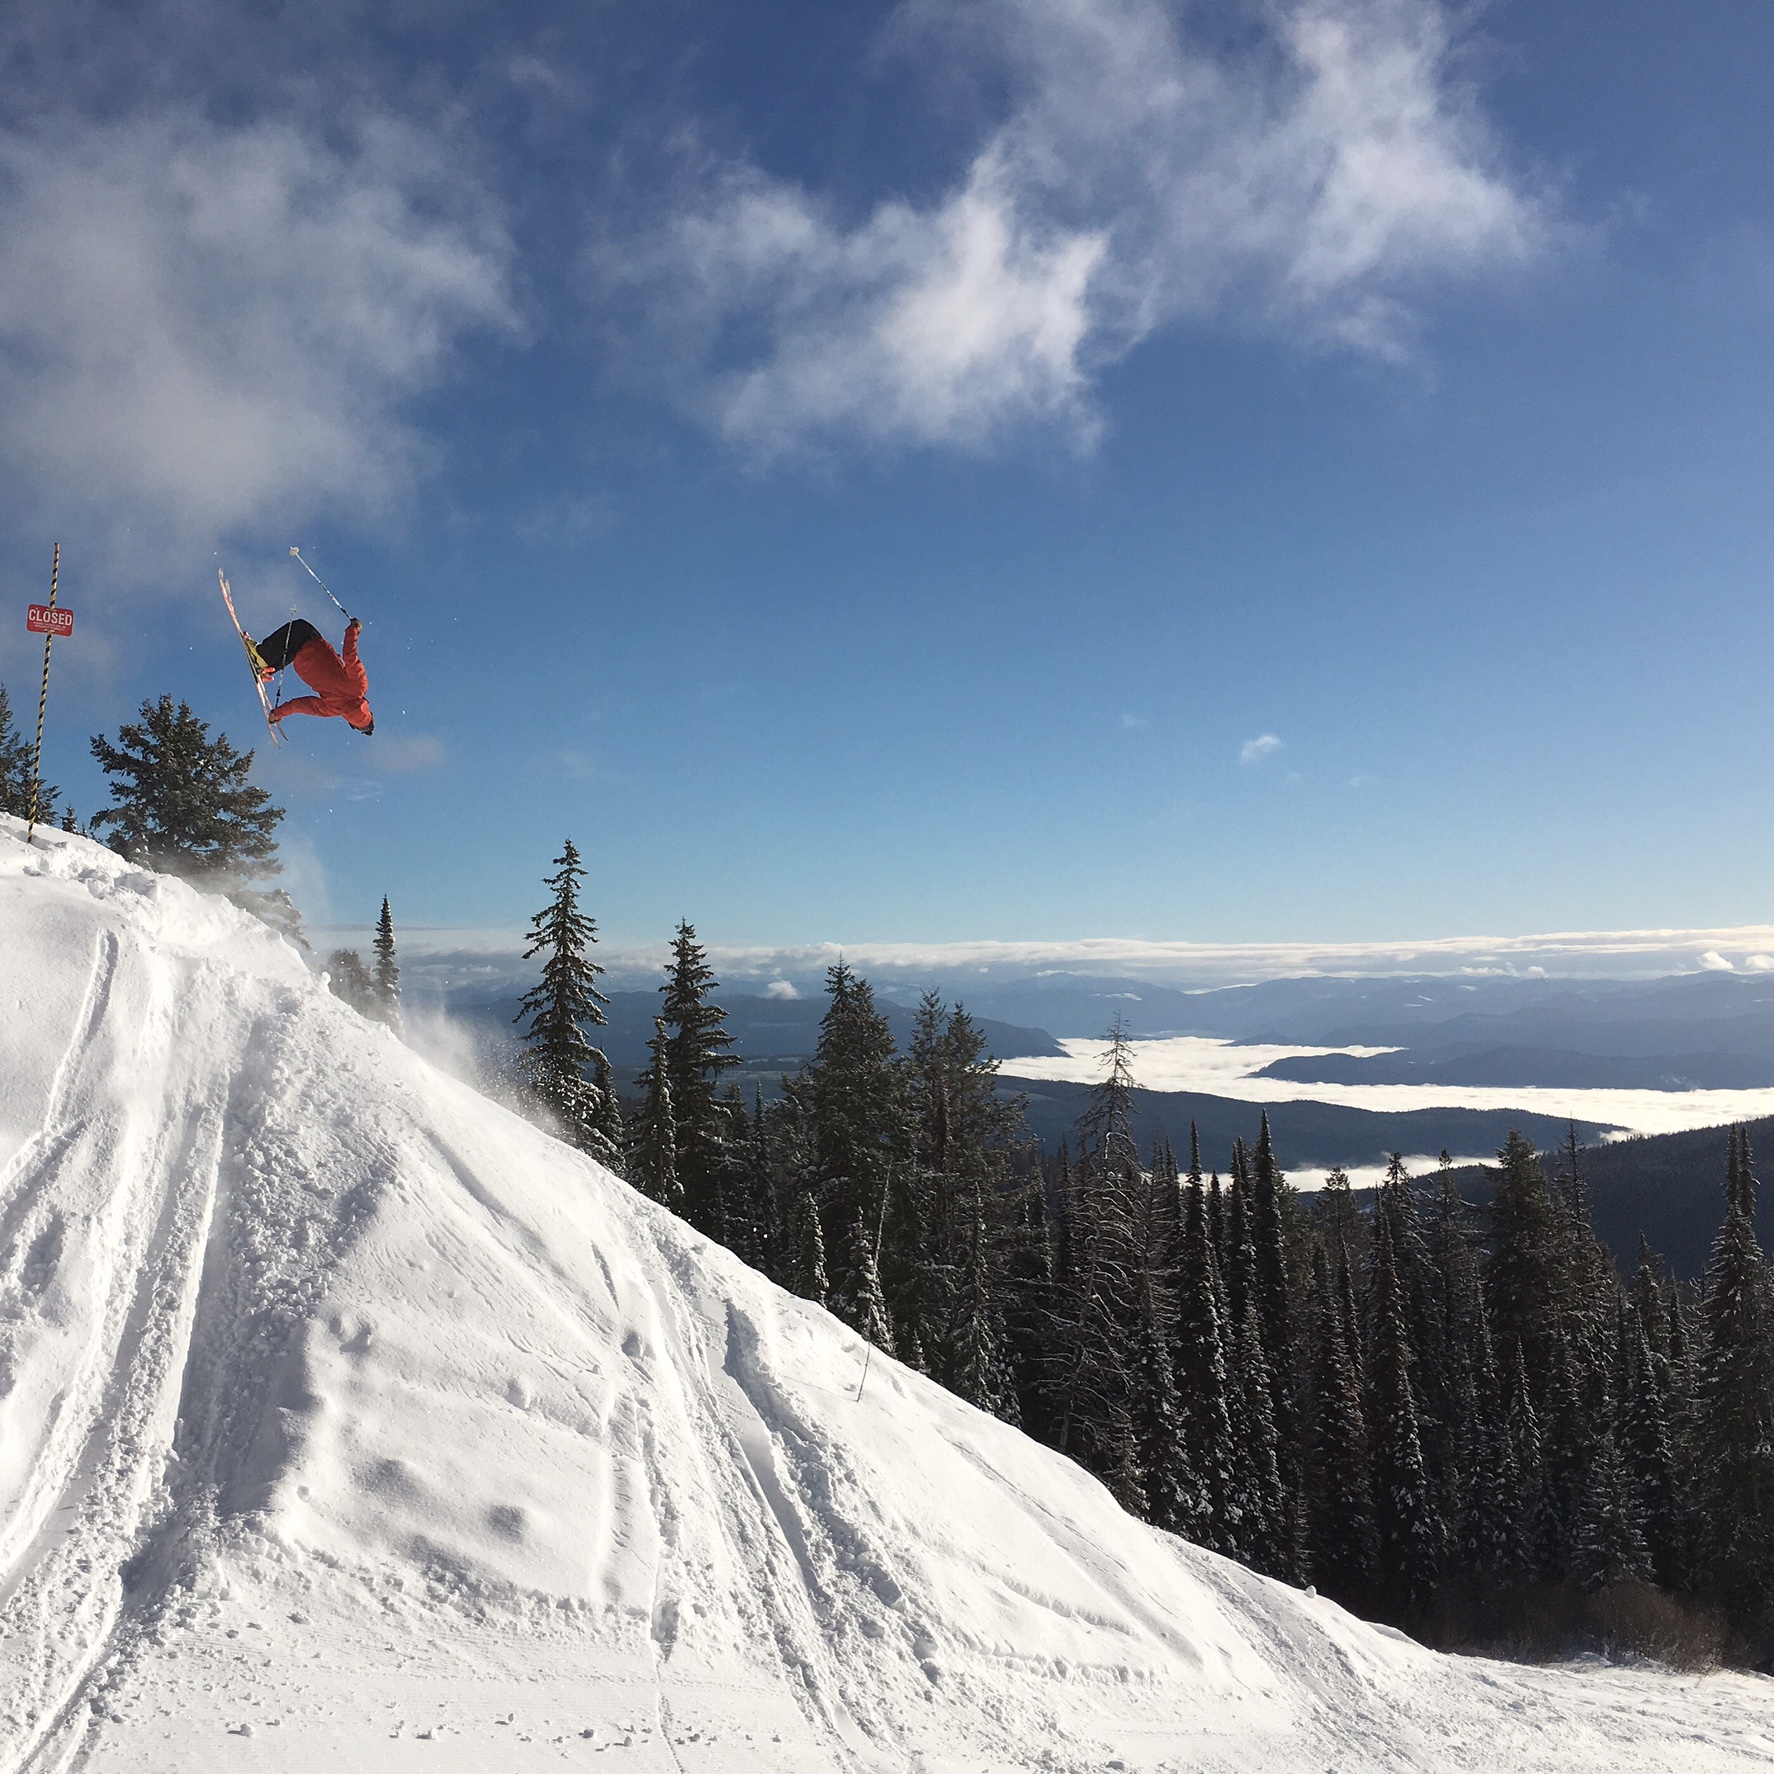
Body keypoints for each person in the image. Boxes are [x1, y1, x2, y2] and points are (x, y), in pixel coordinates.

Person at [255, 617, 374, 735]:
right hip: (303, 665)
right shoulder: (332, 710)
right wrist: (277, 713)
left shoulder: (359, 686)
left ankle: (261, 655)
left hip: (313, 645)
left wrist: (354, 629)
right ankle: (266, 670)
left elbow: (350, 656)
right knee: (292, 647)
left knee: (298, 627)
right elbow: (301, 705)